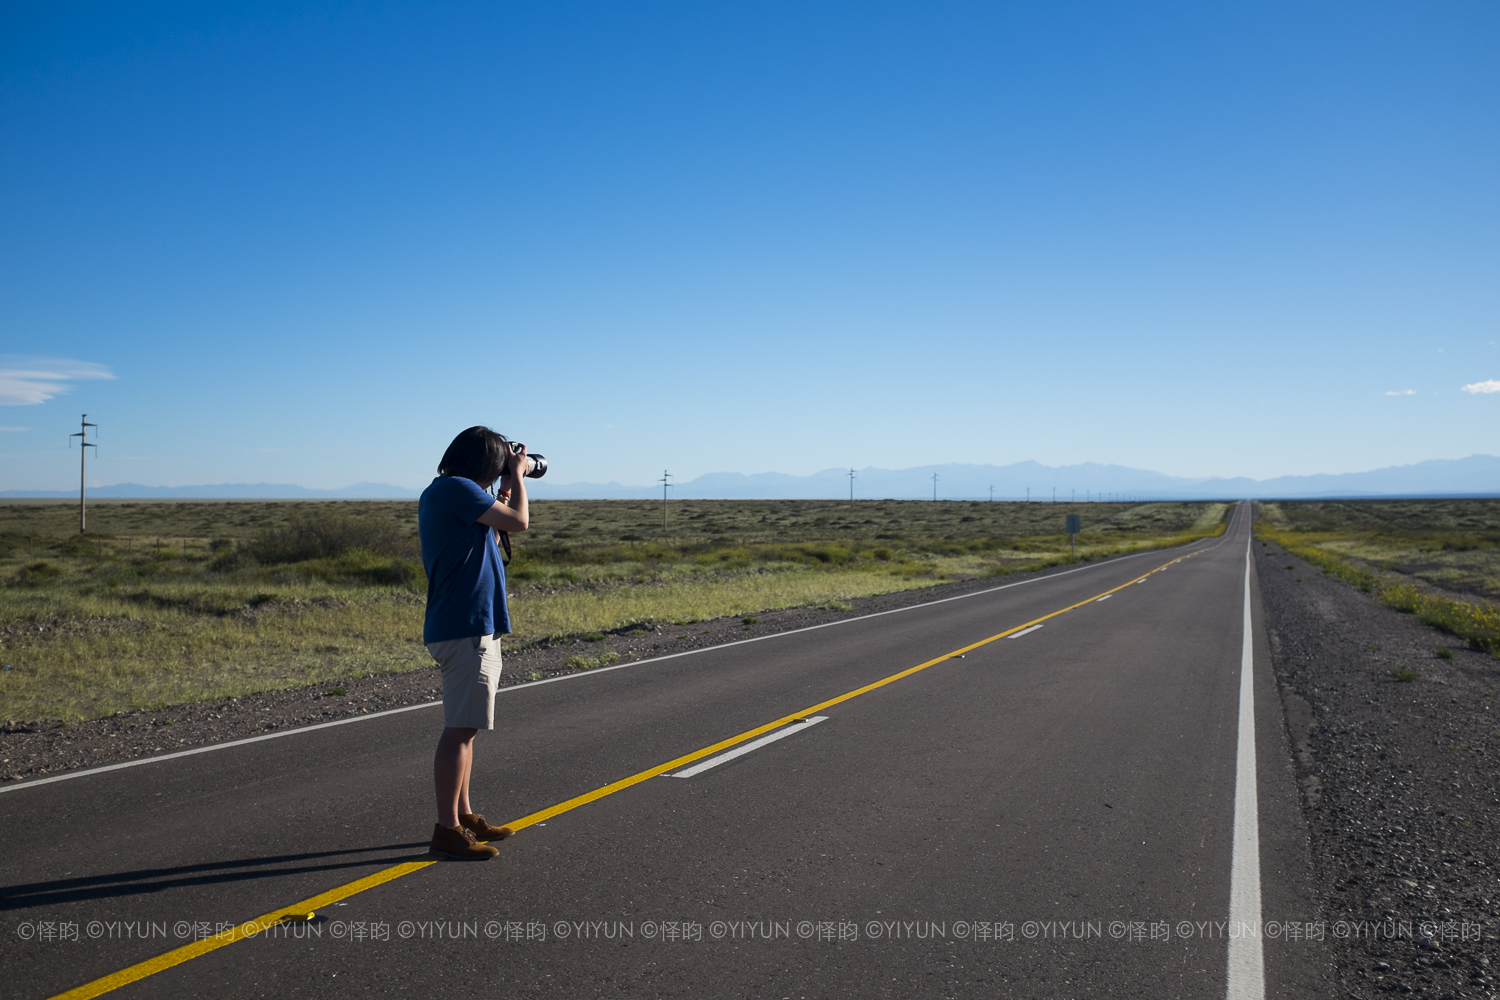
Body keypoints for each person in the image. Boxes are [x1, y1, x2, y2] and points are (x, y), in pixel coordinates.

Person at [418, 425, 531, 860]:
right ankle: (447, 829)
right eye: (501, 459)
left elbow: (496, 520)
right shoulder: (457, 489)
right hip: (464, 626)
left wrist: (503, 488)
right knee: (459, 731)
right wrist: (517, 476)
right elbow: (519, 522)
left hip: (471, 625)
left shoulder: (452, 491)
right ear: (487, 461)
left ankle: (463, 815)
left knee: (467, 729)